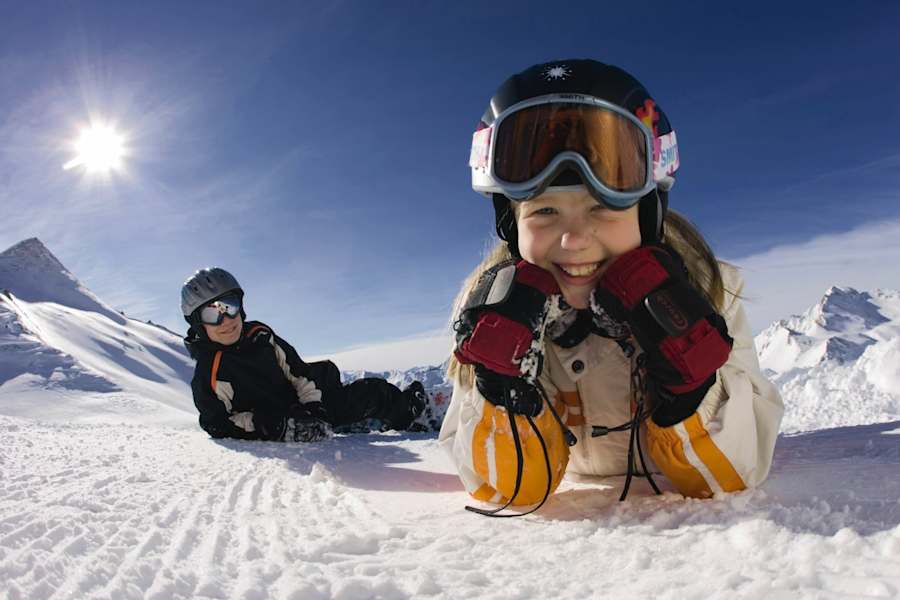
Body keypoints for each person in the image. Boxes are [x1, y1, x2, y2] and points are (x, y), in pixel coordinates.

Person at [439, 59, 784, 515]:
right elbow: (506, 490)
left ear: (647, 214)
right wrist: (502, 391)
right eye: (543, 212)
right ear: (511, 223)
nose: (574, 239)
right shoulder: (491, 315)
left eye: (603, 208)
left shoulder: (708, 290)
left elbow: (738, 473)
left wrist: (692, 392)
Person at [182, 267, 427, 442]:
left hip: (305, 405)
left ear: (241, 306)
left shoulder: (260, 335)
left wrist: (313, 407)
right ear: (197, 324)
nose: (225, 320)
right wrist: (273, 426)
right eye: (211, 314)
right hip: (285, 421)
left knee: (371, 391)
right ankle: (369, 419)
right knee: (363, 398)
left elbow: (298, 372)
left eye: (229, 306)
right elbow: (217, 423)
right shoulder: (209, 372)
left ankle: (406, 411)